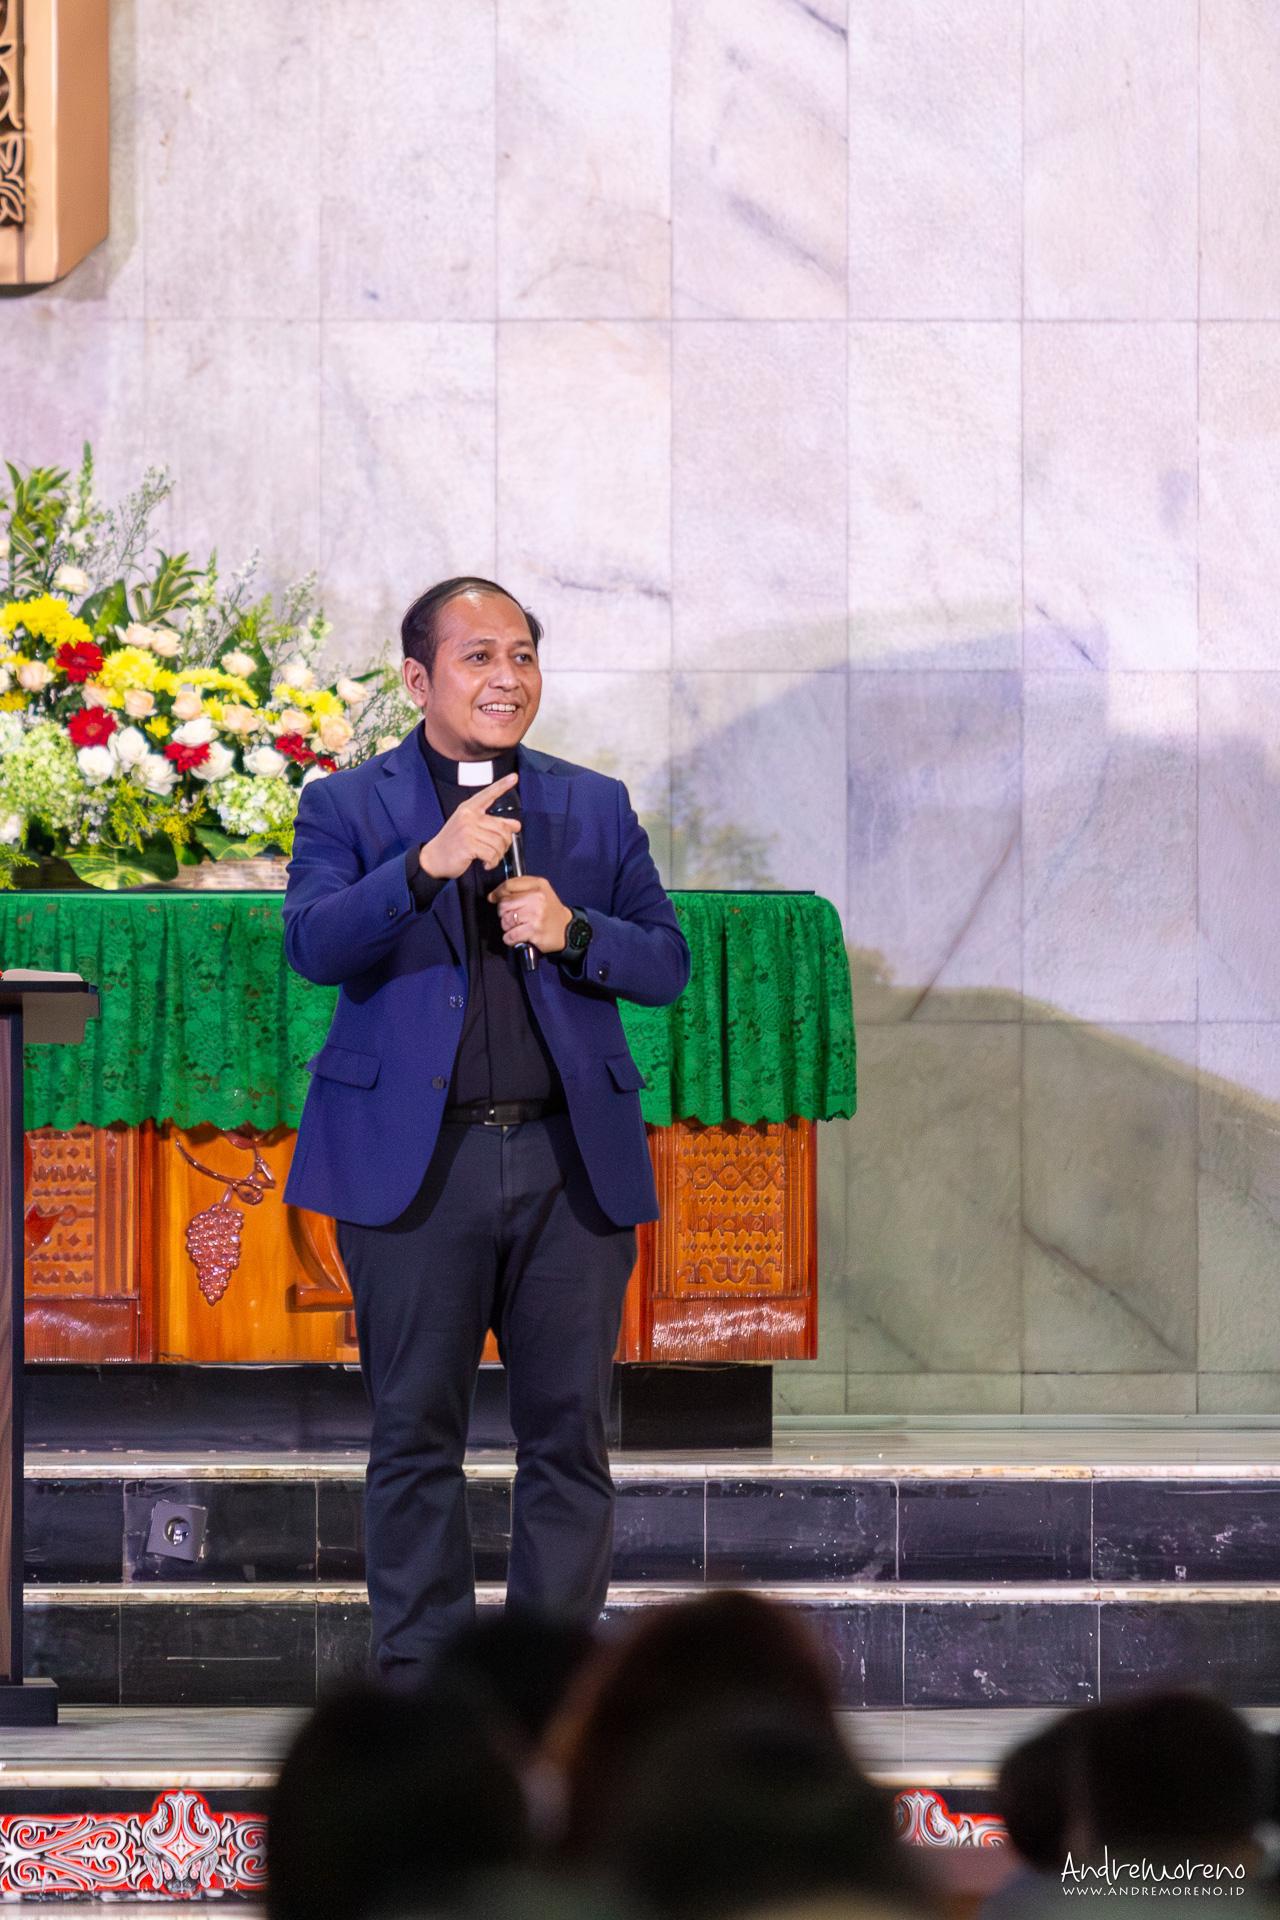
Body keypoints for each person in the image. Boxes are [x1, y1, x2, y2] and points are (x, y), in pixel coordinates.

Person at [282, 577, 691, 1685]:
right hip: (420, 1170)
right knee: (415, 1435)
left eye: (522, 655)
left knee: (569, 1437)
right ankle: (425, 1689)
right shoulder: (346, 805)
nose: (506, 678)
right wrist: (427, 865)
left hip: (568, 1165)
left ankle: (550, 1684)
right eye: (478, 657)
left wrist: (573, 931)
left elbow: (664, 962)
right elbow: (314, 944)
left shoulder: (593, 804)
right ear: (418, 679)